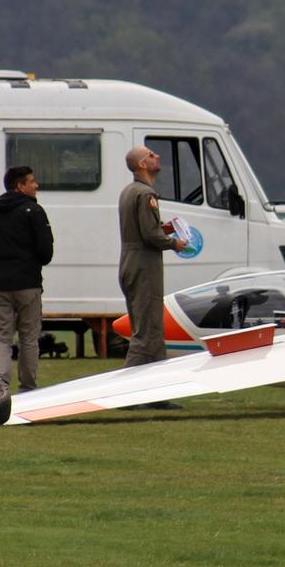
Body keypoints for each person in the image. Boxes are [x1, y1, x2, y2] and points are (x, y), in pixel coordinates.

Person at [117, 145, 188, 407]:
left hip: (130, 261)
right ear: (142, 165)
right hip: (144, 265)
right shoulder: (146, 193)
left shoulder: (128, 192)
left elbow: (143, 229)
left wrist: (163, 227)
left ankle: (158, 394)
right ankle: (124, 395)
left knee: (152, 329)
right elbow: (150, 236)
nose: (156, 156)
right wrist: (173, 242)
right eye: (151, 155)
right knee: (146, 331)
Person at [0, 165, 54, 393]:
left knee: (2, 337)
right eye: (32, 181)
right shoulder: (34, 211)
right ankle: (28, 386)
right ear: (20, 186)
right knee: (29, 336)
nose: (36, 185)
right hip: (28, 283)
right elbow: (46, 252)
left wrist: (0, 260)